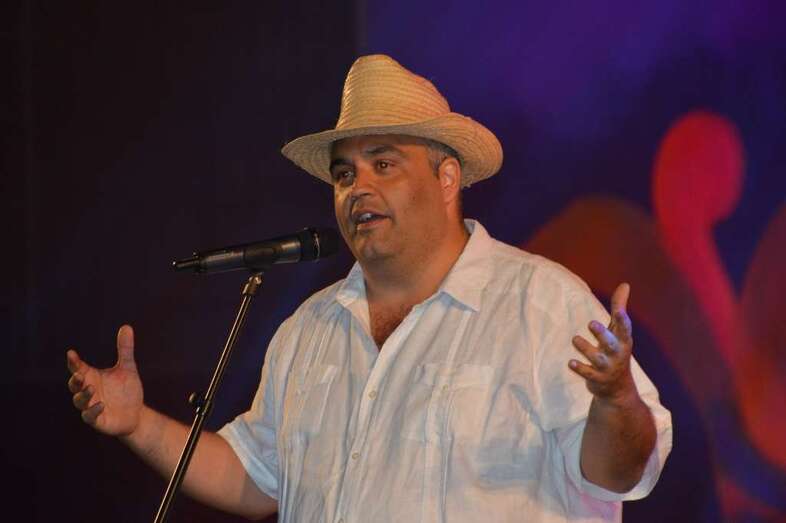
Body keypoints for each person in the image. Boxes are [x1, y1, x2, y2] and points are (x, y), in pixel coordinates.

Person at [67, 54, 672, 522]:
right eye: (343, 174)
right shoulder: (309, 329)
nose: (358, 188)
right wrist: (138, 423)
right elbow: (254, 478)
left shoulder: (537, 303)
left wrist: (617, 400)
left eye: (383, 164)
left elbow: (620, 474)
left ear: (447, 177)